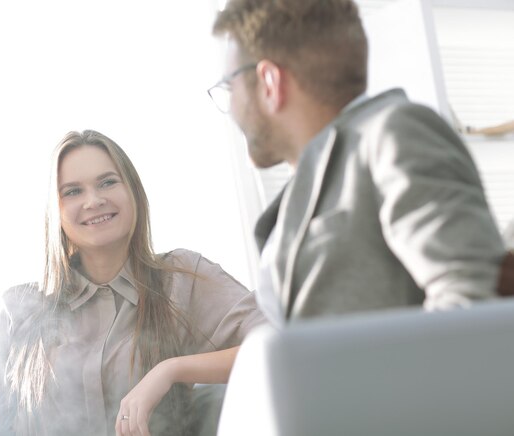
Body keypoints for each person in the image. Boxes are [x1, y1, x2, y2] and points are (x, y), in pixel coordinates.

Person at [209, 0, 512, 327]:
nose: (232, 107)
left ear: (269, 82)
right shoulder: (307, 185)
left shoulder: (393, 133)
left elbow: (474, 305)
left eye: (230, 85)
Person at [0, 130, 266, 436]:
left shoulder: (180, 280)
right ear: (57, 212)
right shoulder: (22, 312)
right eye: (72, 191)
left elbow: (279, 343)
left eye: (107, 182)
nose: (94, 201)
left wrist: (171, 370)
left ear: (132, 190)